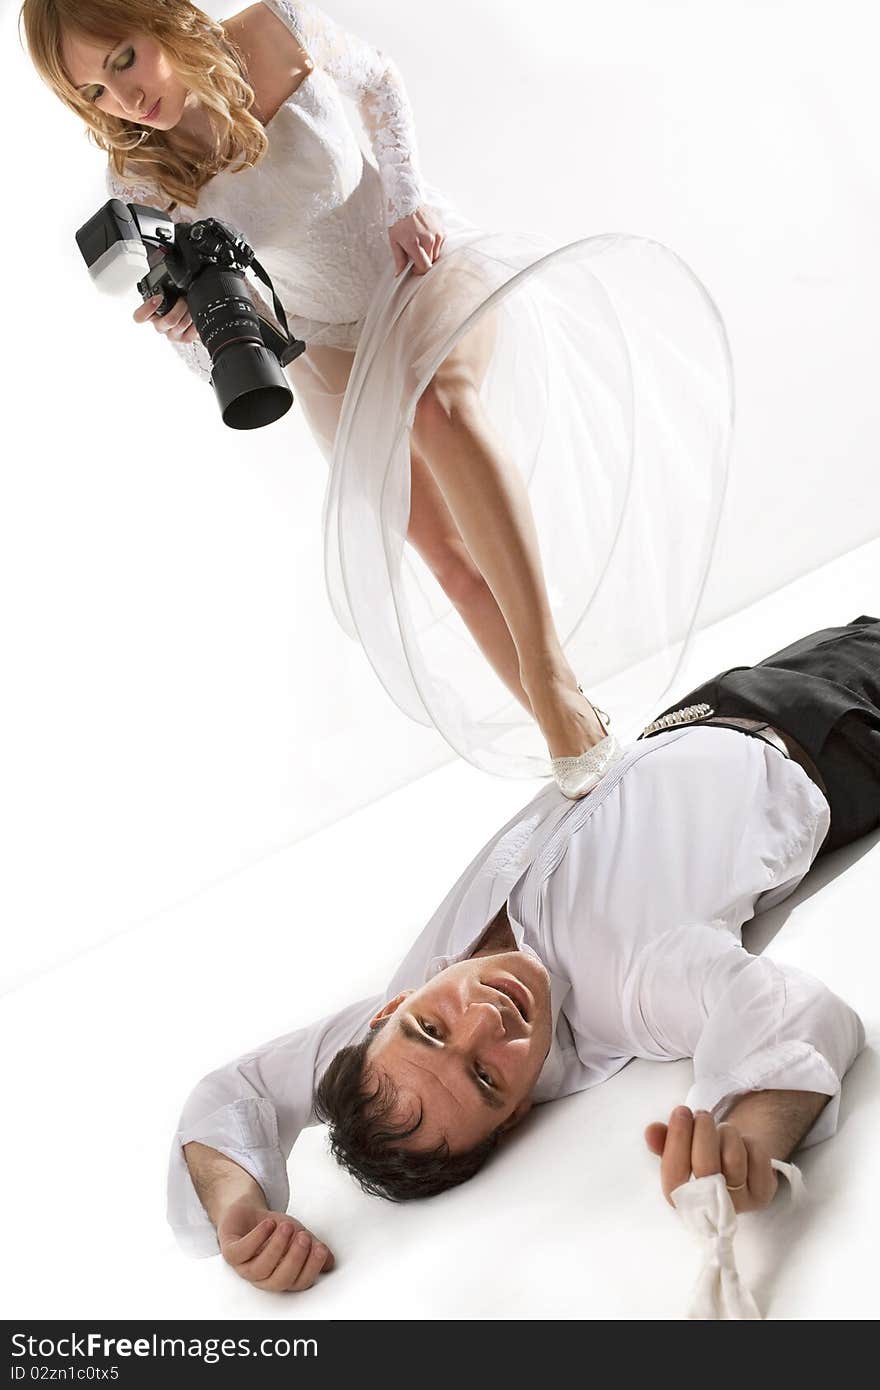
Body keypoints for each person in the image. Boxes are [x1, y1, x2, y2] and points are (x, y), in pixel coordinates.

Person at [22, 0, 733, 790]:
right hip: (327, 341)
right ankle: (575, 736)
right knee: (436, 546)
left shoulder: (271, 30)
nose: (124, 102)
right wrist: (189, 323)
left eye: (122, 60)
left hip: (419, 266)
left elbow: (380, 81)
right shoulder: (136, 178)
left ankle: (554, 687)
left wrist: (405, 200)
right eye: (92, 93)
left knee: (439, 407)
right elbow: (235, 331)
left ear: (159, 17)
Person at [167, 615, 875, 1293]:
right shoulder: (634, 989)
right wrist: (749, 1132)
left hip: (711, 704)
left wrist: (240, 1213)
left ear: (388, 1011)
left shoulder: (405, 1012)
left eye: (430, 1027)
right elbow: (789, 1014)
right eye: (484, 1078)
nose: (483, 1019)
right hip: (838, 727)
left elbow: (241, 1092)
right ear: (515, 1118)